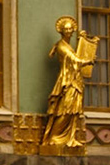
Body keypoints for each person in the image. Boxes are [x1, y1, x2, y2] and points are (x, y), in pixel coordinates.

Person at [42, 15, 97, 152]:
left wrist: (83, 42)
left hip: (75, 81)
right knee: (65, 110)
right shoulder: (61, 46)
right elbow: (75, 60)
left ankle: (69, 138)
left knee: (73, 112)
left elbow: (76, 56)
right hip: (67, 82)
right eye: (66, 29)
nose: (68, 32)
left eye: (70, 29)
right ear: (61, 31)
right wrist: (88, 61)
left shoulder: (68, 45)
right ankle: (55, 137)